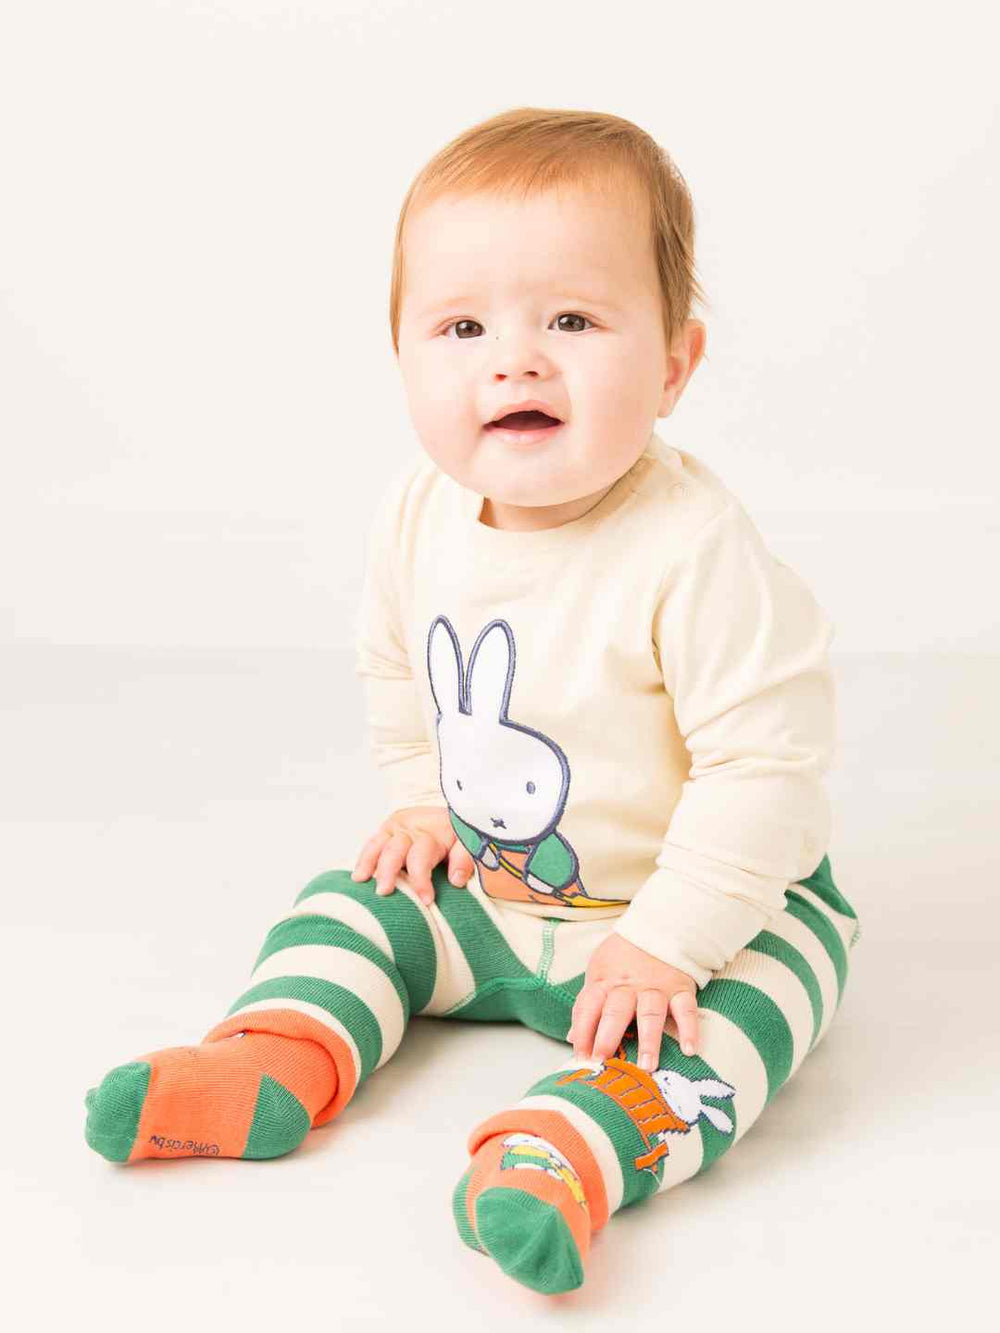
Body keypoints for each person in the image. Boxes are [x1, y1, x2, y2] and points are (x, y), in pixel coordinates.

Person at [84, 106, 861, 1296]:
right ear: (400, 357)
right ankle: (272, 1055)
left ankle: (569, 1150)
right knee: (352, 904)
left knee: (757, 1008)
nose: (515, 361)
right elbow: (398, 667)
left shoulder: (694, 551)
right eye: (461, 327)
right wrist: (420, 801)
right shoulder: (419, 512)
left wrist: (666, 942)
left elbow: (764, 767)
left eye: (572, 320)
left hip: (699, 910)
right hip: (491, 890)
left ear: (672, 364)